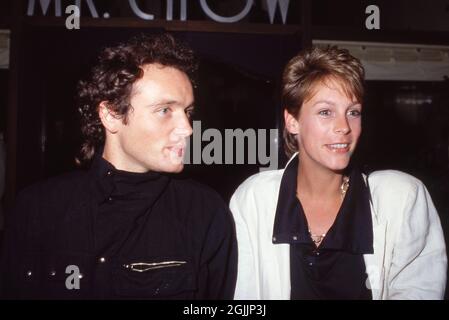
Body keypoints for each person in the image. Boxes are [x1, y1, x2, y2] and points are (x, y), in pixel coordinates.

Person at [0, 33, 237, 299]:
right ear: (111, 115)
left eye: (188, 111)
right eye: (165, 110)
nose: (187, 129)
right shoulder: (38, 209)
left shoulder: (205, 213)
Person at [230, 46, 447, 300]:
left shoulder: (400, 199)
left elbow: (420, 290)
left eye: (353, 112)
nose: (344, 127)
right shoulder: (255, 199)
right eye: (325, 112)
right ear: (292, 121)